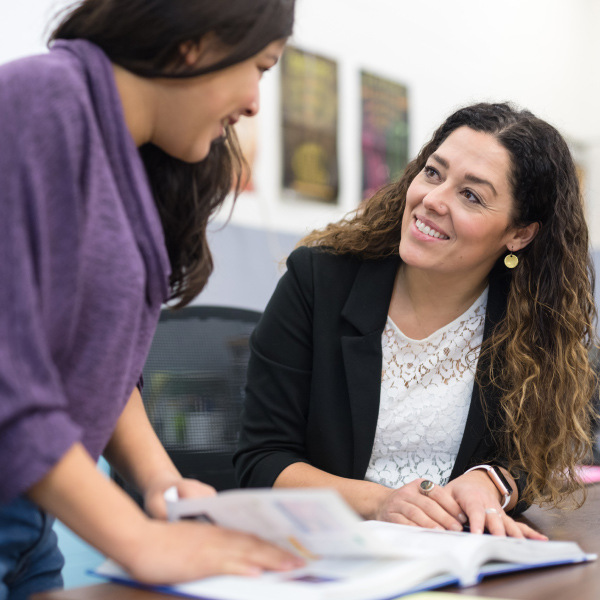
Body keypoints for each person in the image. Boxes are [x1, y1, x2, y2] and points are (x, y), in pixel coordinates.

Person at [0, 0, 303, 598]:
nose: (253, 105)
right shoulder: (41, 100)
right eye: (261, 69)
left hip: (32, 524)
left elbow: (100, 366)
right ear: (199, 42)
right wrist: (141, 542)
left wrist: (164, 486)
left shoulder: (136, 160)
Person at [235, 102, 599, 540]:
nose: (432, 200)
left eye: (471, 195)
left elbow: (532, 459)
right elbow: (262, 460)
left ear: (519, 234)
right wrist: (381, 503)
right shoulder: (317, 282)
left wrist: (491, 482)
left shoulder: (529, 320)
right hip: (323, 549)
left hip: (454, 561)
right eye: (433, 172)